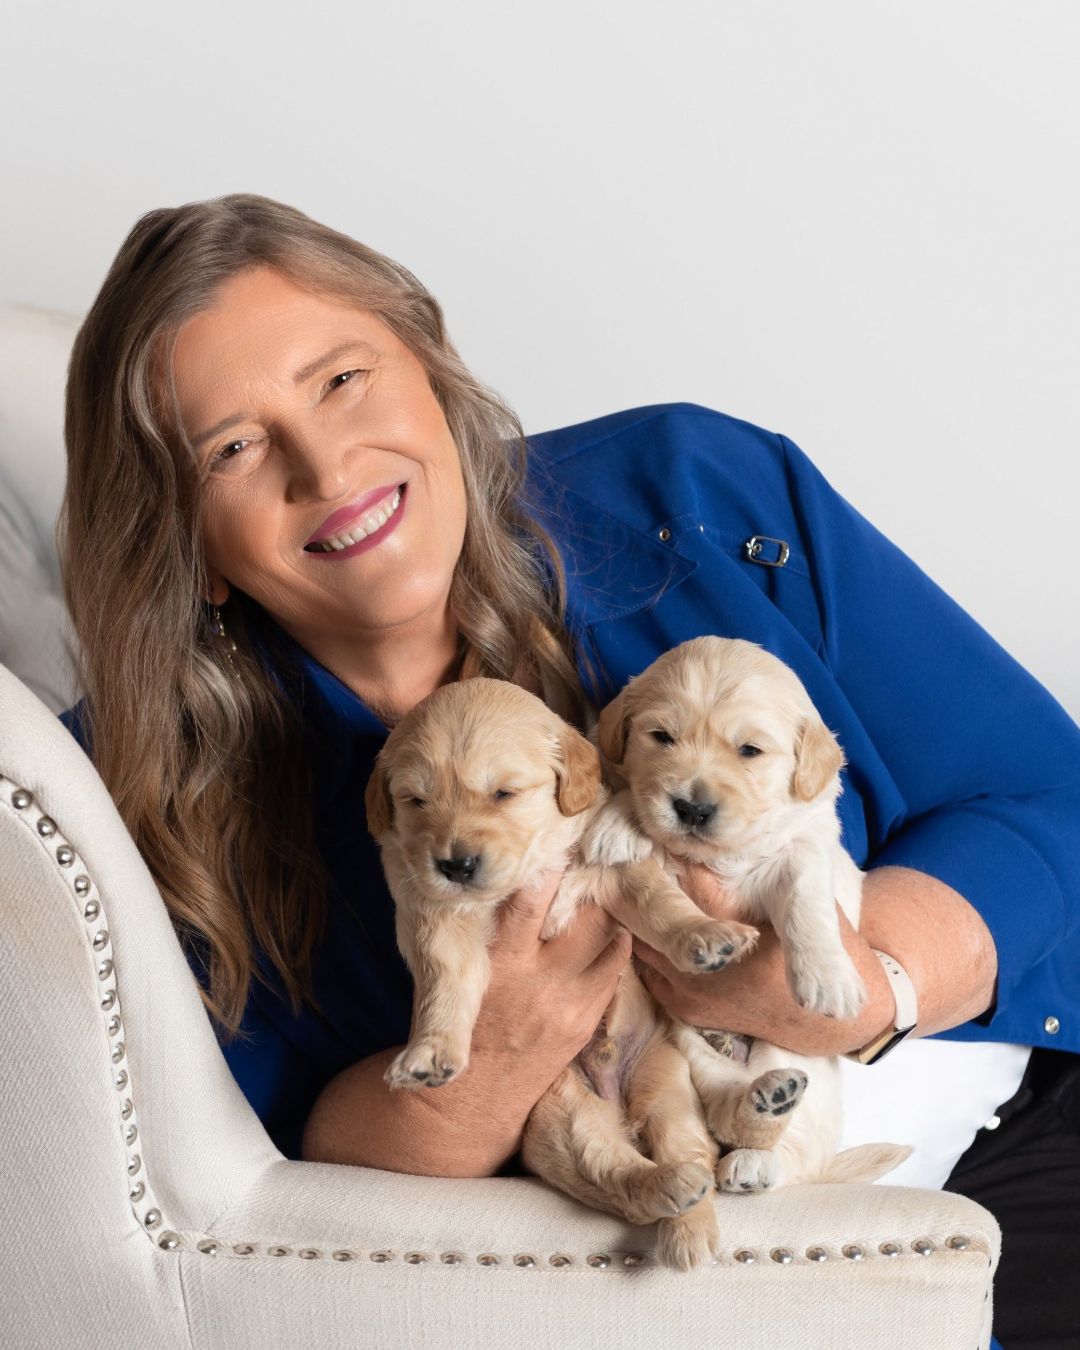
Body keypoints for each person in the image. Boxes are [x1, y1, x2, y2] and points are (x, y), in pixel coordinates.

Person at [58, 194, 1080, 1350]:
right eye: (233, 448)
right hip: (631, 1283)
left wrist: (865, 980)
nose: (326, 465)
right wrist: (496, 1047)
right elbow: (228, 1205)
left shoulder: (690, 493)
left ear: (432, 370)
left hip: (995, 1134)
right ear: (186, 545)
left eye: (342, 379)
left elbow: (1049, 795)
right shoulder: (105, 798)